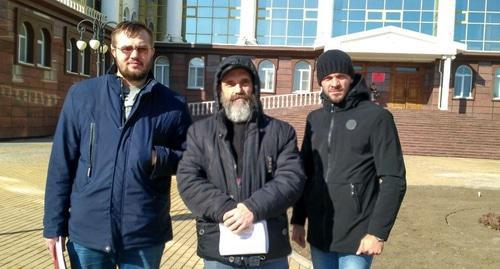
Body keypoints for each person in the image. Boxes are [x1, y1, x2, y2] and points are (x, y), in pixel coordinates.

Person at [43, 21, 192, 268]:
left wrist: (158, 157)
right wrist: (53, 226)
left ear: (153, 51)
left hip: (144, 234)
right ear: (113, 51)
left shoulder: (173, 104)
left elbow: (191, 158)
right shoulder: (83, 95)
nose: (135, 55)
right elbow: (61, 163)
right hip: (87, 233)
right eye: (127, 48)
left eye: (142, 49)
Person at [176, 55, 306, 269]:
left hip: (269, 252)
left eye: (245, 82)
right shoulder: (199, 133)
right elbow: (188, 180)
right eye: (230, 83)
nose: (238, 89)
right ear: (220, 90)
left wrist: (252, 208)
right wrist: (226, 209)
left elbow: (291, 179)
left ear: (254, 88)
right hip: (220, 253)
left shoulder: (281, 132)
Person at [291, 49, 406, 269]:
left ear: (351, 78)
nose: (334, 83)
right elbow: (305, 172)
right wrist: (298, 219)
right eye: (327, 78)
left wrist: (377, 232)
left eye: (340, 76)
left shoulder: (377, 117)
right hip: (320, 232)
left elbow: (394, 179)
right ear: (320, 83)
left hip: (358, 236)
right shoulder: (314, 119)